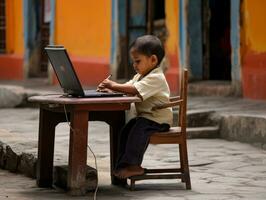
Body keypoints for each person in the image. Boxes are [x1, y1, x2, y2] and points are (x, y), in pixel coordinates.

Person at [97, 35, 172, 179]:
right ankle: (122, 166)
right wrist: (112, 89)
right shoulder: (141, 76)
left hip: (158, 119)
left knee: (137, 133)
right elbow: (128, 86)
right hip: (146, 118)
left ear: (153, 60)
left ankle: (134, 166)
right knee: (126, 130)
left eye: (138, 61)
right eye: (133, 62)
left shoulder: (156, 77)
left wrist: (112, 85)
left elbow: (135, 90)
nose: (134, 65)